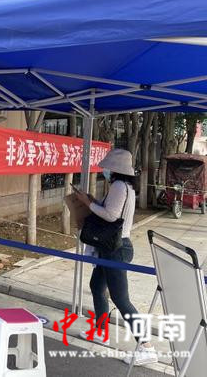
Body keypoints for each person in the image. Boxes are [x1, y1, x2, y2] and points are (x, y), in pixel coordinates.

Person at [75, 148, 157, 365]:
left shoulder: (119, 186)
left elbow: (111, 216)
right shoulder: (124, 186)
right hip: (112, 247)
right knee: (96, 286)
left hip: (116, 249)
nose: (105, 170)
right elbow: (112, 211)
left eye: (108, 167)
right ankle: (101, 331)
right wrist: (93, 201)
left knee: (120, 298)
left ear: (115, 169)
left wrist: (87, 203)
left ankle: (147, 346)